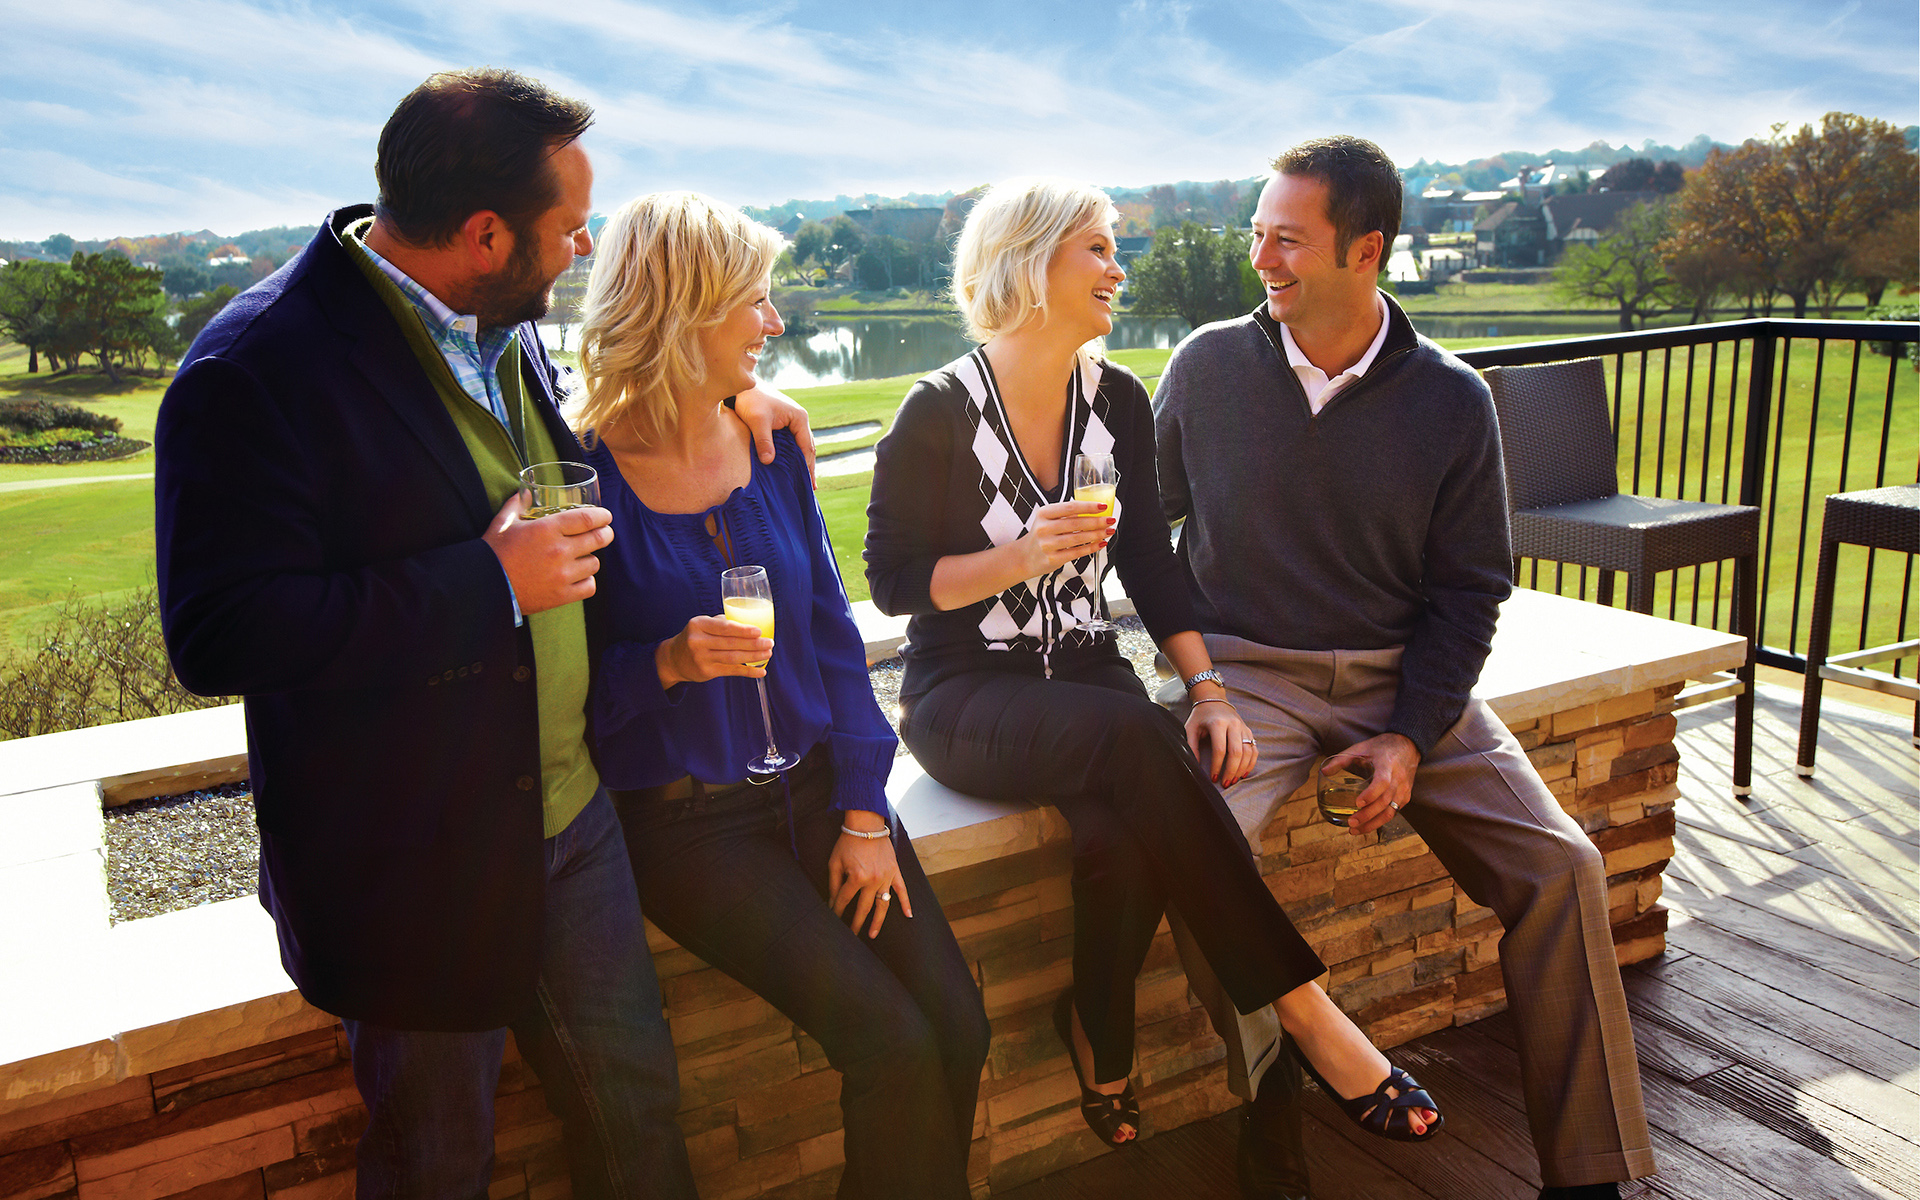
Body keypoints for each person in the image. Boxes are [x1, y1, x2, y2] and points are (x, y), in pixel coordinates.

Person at [154, 70, 810, 1200]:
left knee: (637, 1116)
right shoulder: (254, 369)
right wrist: (487, 582)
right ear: (486, 233)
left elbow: (585, 445)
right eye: (570, 227)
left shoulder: (506, 326)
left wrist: (724, 400)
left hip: (573, 819)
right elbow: (220, 633)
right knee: (438, 1164)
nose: (585, 245)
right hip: (411, 863)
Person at [865, 177, 1442, 1160]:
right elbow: (891, 584)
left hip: (1090, 681)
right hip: (964, 691)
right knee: (1143, 734)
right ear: (1030, 260)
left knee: (1124, 834)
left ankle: (1097, 1028)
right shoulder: (939, 409)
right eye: (1097, 248)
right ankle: (1305, 1009)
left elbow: (1148, 562)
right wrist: (1022, 556)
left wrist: (1208, 691)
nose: (1118, 269)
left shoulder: (1119, 398)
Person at [1153, 135, 1656, 1200]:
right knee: (1193, 853)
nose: (1261, 259)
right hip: (1248, 674)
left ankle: (1590, 1174)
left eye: (1288, 239)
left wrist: (1412, 736)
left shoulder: (1452, 399)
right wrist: (1189, 680)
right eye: (1257, 234)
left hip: (1403, 676)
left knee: (1564, 871)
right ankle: (1278, 1103)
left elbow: (1471, 590)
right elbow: (1146, 541)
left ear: (1366, 249)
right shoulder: (1205, 367)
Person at [574, 191, 991, 1200]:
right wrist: (666, 664)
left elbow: (834, 638)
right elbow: (565, 697)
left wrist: (863, 809)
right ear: (684, 309)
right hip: (690, 830)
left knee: (958, 1026)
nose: (774, 321)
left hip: (818, 793)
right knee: (891, 1045)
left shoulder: (770, 450)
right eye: (754, 301)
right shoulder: (582, 480)